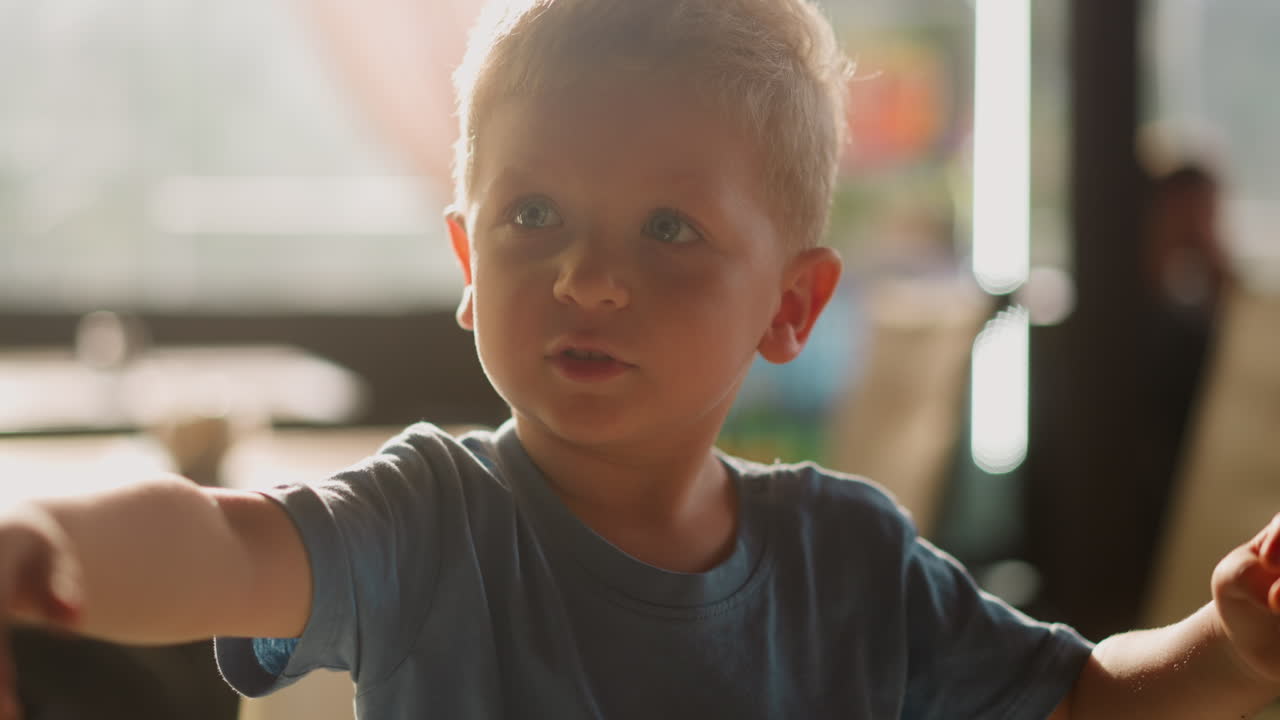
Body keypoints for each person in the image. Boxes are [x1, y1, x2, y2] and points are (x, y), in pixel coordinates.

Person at [1, 1, 1278, 718]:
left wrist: (1222, 650)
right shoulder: (429, 521)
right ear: (465, 260)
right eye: (530, 217)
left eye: (667, 229)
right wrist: (42, 545)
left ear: (790, 307)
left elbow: (1073, 706)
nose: (584, 277)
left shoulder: (850, 564)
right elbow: (220, 545)